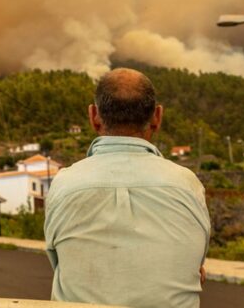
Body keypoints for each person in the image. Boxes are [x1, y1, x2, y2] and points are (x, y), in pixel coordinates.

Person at [45, 68, 211, 308]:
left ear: (94, 117)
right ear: (157, 117)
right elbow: (193, 264)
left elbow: (61, 260)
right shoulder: (187, 184)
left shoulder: (64, 183)